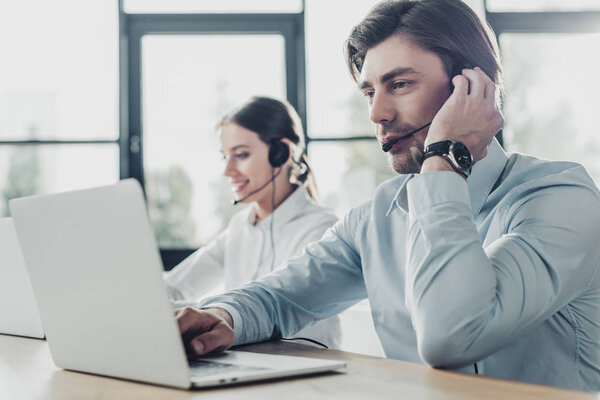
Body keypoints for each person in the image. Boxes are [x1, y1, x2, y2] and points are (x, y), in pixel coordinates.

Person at [175, 0, 600, 391]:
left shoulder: (560, 197)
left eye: (399, 84)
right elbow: (278, 296)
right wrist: (222, 316)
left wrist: (444, 159)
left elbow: (450, 335)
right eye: (369, 92)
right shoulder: (377, 215)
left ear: (471, 89)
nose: (376, 113)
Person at [165, 96, 341, 349]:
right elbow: (175, 287)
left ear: (281, 153)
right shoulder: (240, 227)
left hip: (303, 369)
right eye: (225, 157)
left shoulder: (321, 229)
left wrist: (212, 316)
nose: (228, 171)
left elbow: (290, 312)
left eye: (241, 155)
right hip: (248, 365)